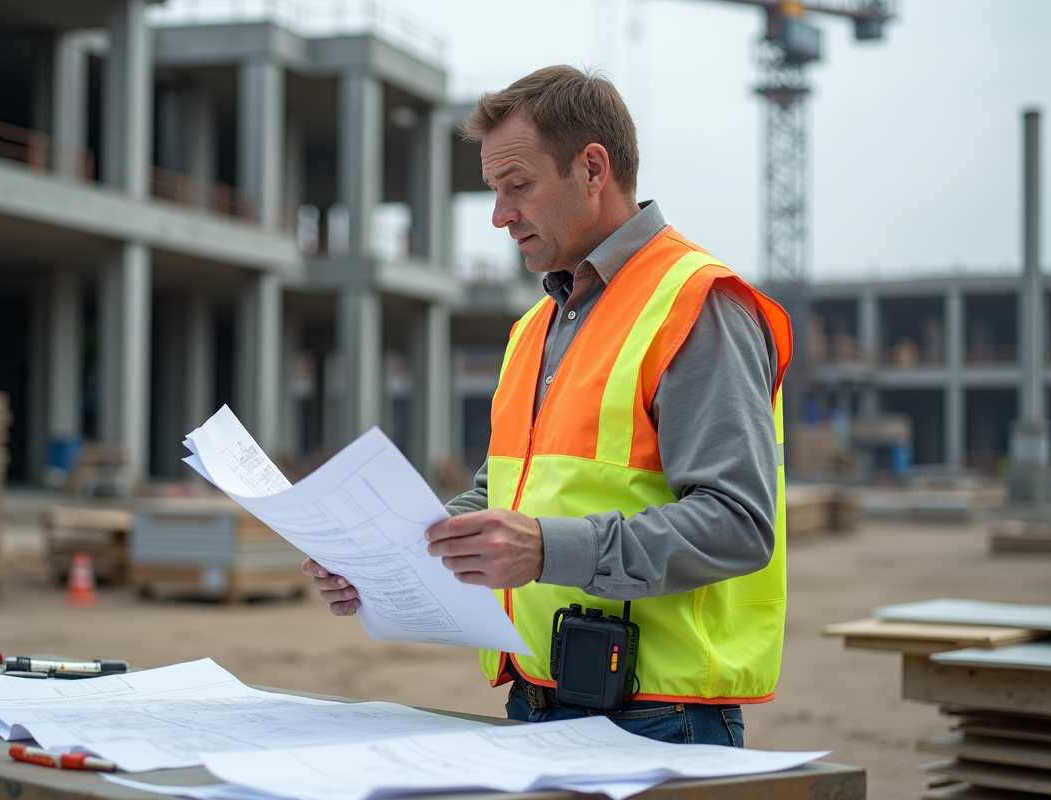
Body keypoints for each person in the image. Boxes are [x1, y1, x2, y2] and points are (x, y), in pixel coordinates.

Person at [302, 65, 792, 747]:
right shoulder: (537, 326)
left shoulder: (696, 305)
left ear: (593, 168)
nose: (501, 215)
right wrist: (386, 559)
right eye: (495, 191)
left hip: (659, 720)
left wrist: (546, 551)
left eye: (518, 186)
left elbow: (739, 523)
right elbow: (502, 494)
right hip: (535, 705)